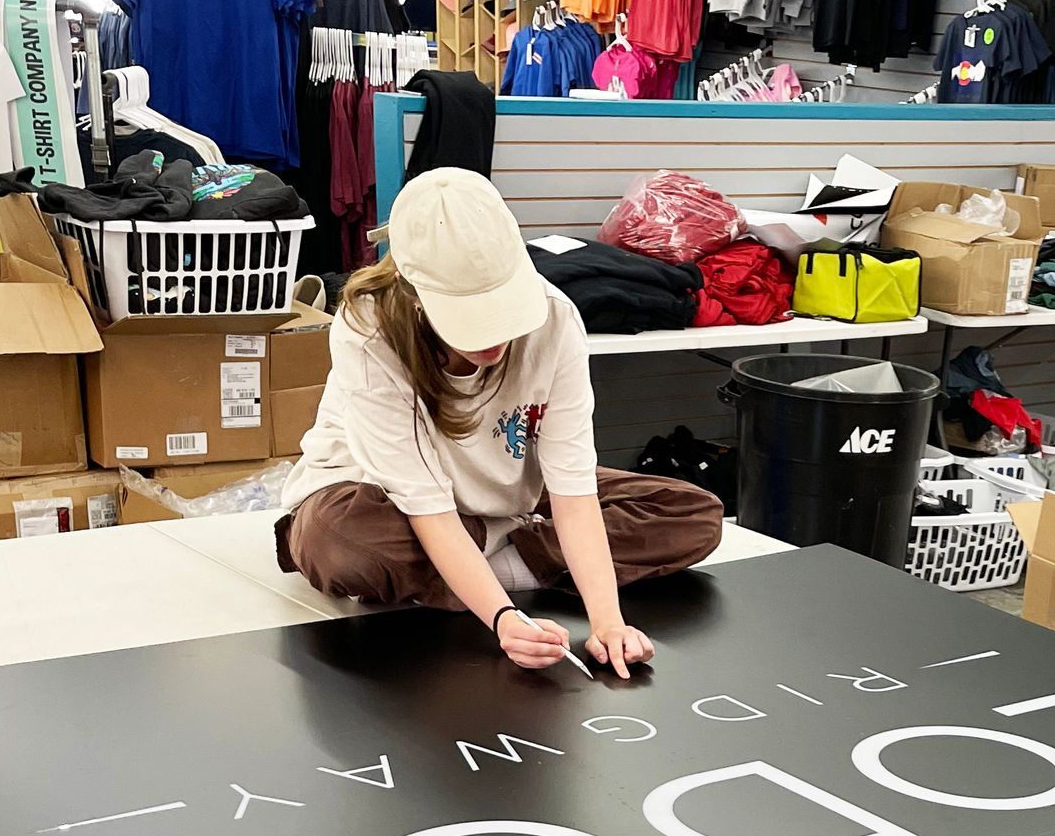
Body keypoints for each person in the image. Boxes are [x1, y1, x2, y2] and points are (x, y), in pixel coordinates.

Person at [277, 168, 722, 678]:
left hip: (510, 490)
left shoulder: (556, 318)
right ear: (415, 292)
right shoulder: (369, 330)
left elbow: (573, 490)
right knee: (336, 542)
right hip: (384, 496)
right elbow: (426, 507)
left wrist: (608, 621)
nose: (494, 339)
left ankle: (488, 556)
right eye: (470, 317)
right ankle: (510, 561)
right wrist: (503, 616)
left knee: (693, 513)